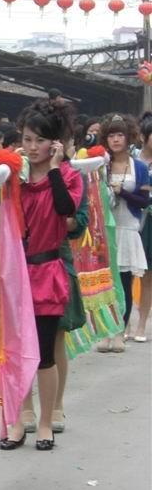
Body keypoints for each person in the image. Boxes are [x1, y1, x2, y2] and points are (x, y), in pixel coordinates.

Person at [0, 99, 83, 451]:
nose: (33, 147)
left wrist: (54, 168)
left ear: (55, 143)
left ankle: (46, 422)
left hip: (48, 271)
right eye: (28, 139)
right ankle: (17, 421)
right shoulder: (11, 175)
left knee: (45, 352)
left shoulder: (67, 176)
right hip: (16, 273)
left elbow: (67, 211)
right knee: (16, 352)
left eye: (40, 140)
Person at [96, 113, 149, 352]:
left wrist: (122, 192)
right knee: (103, 284)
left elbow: (143, 200)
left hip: (127, 229)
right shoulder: (100, 164)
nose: (116, 139)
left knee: (124, 284)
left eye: (120, 135)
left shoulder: (139, 166)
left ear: (129, 138)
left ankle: (120, 331)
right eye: (111, 135)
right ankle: (104, 332)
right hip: (105, 230)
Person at [135, 116, 152, 341]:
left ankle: (141, 325)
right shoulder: (131, 161)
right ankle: (124, 324)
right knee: (128, 274)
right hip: (133, 221)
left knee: (148, 276)